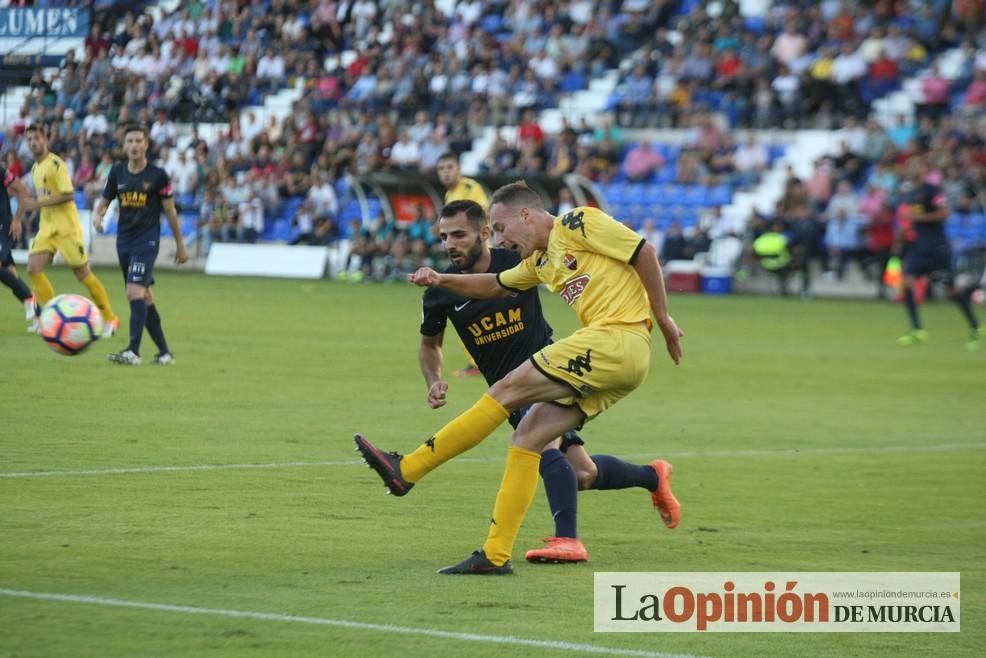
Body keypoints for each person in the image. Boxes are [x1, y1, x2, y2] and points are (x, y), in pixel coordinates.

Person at [356, 182, 683, 574]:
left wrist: (662, 317)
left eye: (500, 227)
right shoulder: (540, 263)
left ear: (525, 214)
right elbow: (493, 285)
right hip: (619, 360)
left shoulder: (578, 222)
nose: (500, 238)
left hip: (617, 337)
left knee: (506, 390)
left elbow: (643, 251)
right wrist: (441, 281)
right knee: (529, 436)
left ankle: (407, 470)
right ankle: (495, 555)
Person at [91, 124, 189, 365]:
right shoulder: (117, 173)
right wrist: (98, 215)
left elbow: (170, 212)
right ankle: (165, 353)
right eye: (130, 141)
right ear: (124, 146)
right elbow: (105, 200)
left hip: (147, 241)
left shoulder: (158, 176)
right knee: (144, 297)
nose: (134, 145)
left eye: (138, 141)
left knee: (133, 291)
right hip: (123, 242)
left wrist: (180, 244)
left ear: (146, 144)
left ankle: (133, 351)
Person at [23, 124, 119, 336]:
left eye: (36, 138)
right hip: (47, 228)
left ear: (45, 139)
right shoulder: (34, 168)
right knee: (33, 268)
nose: (33, 142)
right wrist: (32, 211)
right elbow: (41, 197)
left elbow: (68, 194)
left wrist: (39, 204)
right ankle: (50, 318)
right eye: (29, 139)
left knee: (82, 275)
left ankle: (111, 319)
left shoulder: (56, 164)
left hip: (67, 229)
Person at [894, 160, 981, 350]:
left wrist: (919, 218)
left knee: (951, 291)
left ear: (924, 170)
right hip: (919, 248)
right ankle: (917, 330)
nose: (913, 169)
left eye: (917, 166)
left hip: (937, 248)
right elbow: (910, 220)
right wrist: (903, 234)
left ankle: (976, 328)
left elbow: (945, 212)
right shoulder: (910, 194)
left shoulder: (933, 191)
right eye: (910, 166)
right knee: (906, 281)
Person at [436, 151, 489, 377]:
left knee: (465, 307)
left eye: (450, 167)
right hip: (466, 260)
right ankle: (477, 362)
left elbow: (480, 217)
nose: (446, 172)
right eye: (441, 169)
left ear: (459, 168)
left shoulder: (469, 189)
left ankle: (479, 363)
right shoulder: (451, 195)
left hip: (477, 259)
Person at [0, 162, 35, 321]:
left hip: (2, 226)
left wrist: (17, 219)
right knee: (10, 273)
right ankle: (40, 315)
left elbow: (23, 190)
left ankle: (29, 297)